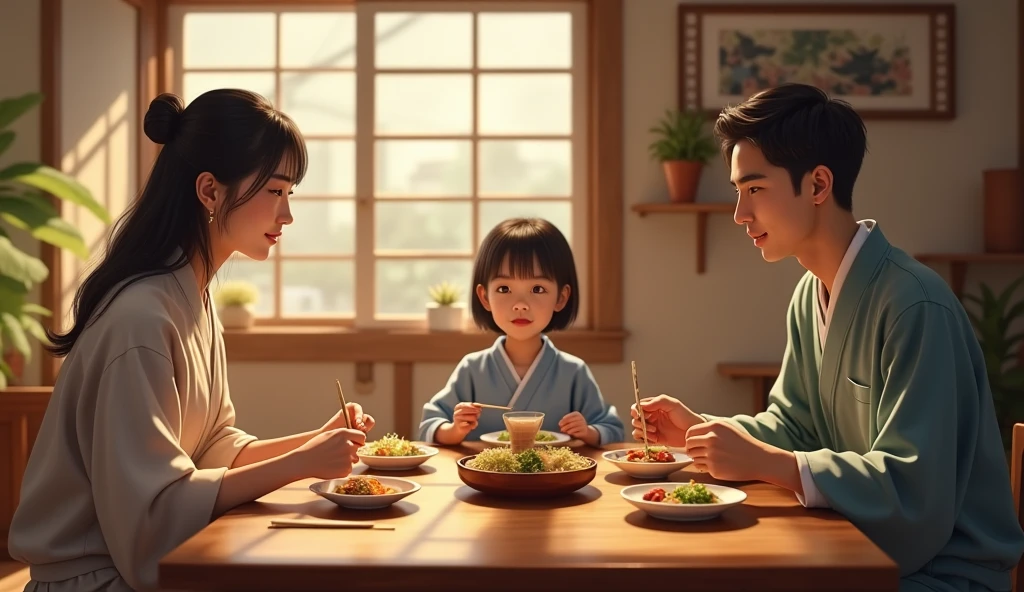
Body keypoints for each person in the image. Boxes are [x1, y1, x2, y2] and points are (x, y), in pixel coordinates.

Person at [630, 83, 1024, 592]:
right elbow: (796, 428)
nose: (740, 214)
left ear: (818, 184)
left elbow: (914, 491)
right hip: (854, 546)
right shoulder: (809, 293)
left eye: (755, 189)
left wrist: (769, 463)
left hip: (941, 572)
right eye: (737, 192)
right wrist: (700, 430)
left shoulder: (915, 304)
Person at [8, 90, 376, 591]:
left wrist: (312, 442)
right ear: (210, 191)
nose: (287, 215)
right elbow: (152, 516)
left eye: (290, 193)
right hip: (96, 580)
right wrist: (298, 464)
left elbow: (211, 449)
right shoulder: (141, 319)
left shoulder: (191, 296)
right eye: (275, 191)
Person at [418, 218, 623, 446]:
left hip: (553, 469)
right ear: (485, 297)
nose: (520, 305)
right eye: (504, 288)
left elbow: (611, 429)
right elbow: (431, 425)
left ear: (561, 297)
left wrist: (587, 431)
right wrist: (455, 429)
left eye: (538, 289)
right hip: (482, 469)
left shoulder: (573, 371)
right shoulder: (472, 369)